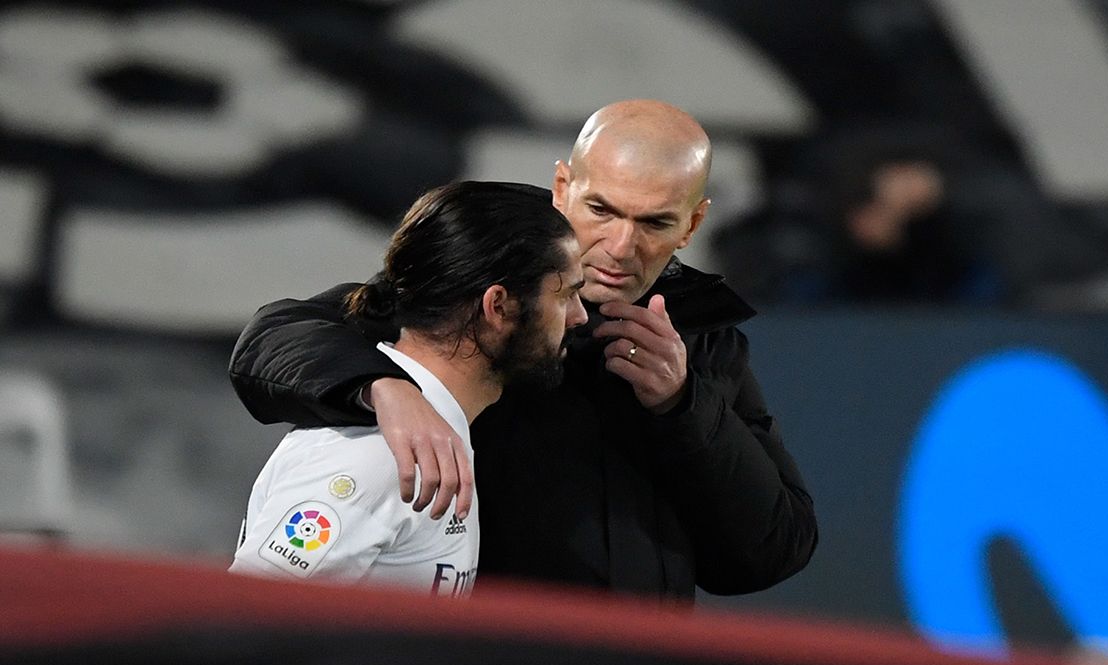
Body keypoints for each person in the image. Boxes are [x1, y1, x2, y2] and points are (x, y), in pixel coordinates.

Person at [229, 99, 817, 601]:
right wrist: (384, 388)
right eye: (601, 210)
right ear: (564, 189)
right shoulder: (483, 285)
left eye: (656, 222)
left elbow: (771, 553)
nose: (619, 246)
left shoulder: (705, 343)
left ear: (692, 225)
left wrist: (684, 407)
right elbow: (275, 336)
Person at [229, 181, 586, 595]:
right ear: (498, 306)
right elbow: (240, 622)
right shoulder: (381, 455)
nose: (579, 317)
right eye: (566, 296)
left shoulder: (432, 431)